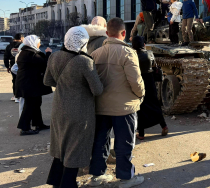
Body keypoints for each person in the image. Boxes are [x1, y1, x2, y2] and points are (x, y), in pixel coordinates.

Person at [44, 26, 104, 188]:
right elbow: (97, 90)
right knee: (74, 149)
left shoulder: (54, 56)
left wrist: (65, 84)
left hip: (58, 109)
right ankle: (68, 184)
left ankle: (55, 181)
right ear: (83, 41)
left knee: (60, 147)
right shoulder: (85, 61)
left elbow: (47, 82)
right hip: (79, 112)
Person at [89, 17, 145, 187]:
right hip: (124, 108)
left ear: (107, 33)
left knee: (100, 141)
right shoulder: (128, 53)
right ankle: (126, 177)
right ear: (124, 33)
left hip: (101, 107)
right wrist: (140, 95)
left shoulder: (95, 54)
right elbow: (135, 81)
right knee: (124, 143)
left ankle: (97, 175)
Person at [132, 36, 168, 139]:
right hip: (150, 81)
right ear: (143, 44)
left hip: (139, 81)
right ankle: (164, 126)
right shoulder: (150, 53)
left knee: (141, 107)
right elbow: (154, 66)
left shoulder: (133, 55)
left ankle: (142, 134)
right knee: (155, 104)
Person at [16, 35, 53, 136]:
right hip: (29, 85)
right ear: (33, 42)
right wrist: (48, 53)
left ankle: (38, 124)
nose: (39, 44)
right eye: (38, 42)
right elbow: (45, 63)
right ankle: (24, 128)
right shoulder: (30, 54)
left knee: (36, 103)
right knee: (29, 106)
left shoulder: (27, 52)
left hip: (30, 84)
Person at [4, 33, 24, 102]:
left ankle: (16, 96)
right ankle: (21, 95)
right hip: (22, 65)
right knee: (22, 80)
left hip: (12, 65)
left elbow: (5, 57)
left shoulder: (9, 46)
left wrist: (7, 67)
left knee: (15, 80)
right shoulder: (23, 46)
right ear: (21, 38)